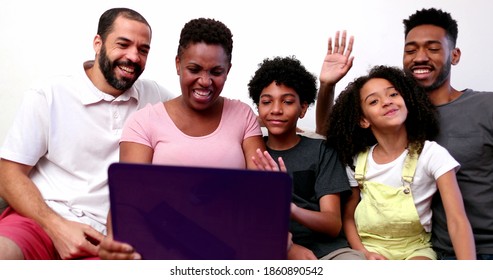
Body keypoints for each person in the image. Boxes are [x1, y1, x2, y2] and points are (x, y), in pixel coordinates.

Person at [0, 7, 173, 260]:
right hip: (41, 220)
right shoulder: (50, 93)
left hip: (106, 240)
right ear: (97, 43)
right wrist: (57, 228)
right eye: (123, 44)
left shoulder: (155, 98)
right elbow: (7, 174)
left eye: (143, 50)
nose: (133, 57)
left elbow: (202, 111)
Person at [98, 17, 265, 260]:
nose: (205, 82)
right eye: (194, 69)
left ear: (228, 70)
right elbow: (127, 200)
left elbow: (259, 193)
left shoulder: (242, 116)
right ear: (178, 64)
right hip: (162, 247)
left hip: (229, 247)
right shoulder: (144, 122)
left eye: (216, 72)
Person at [325, 65, 475, 260]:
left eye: (393, 94)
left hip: (415, 249)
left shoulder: (431, 154)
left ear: (407, 102)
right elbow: (348, 218)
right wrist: (364, 253)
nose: (387, 102)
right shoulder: (357, 161)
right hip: (368, 248)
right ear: (363, 120)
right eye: (374, 101)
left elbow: (457, 220)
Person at [248, 56, 365, 260]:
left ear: (303, 108)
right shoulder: (252, 152)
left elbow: (332, 224)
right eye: (267, 101)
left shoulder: (322, 150)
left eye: (287, 101)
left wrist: (290, 206)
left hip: (329, 251)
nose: (276, 109)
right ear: (258, 107)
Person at [403, 7, 493, 260]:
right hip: (434, 252)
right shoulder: (397, 117)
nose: (419, 57)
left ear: (454, 55)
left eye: (432, 48)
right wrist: (329, 86)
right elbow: (336, 143)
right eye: (410, 50)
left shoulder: (486, 106)